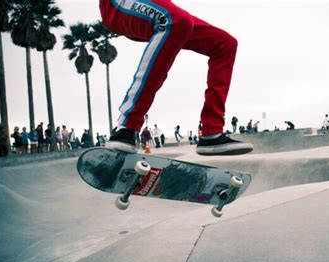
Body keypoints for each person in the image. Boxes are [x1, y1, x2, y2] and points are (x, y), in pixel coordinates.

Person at [99, 0, 253, 156]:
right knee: (176, 20)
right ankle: (127, 126)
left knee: (225, 43)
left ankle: (211, 133)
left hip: (155, 6)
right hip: (117, 5)